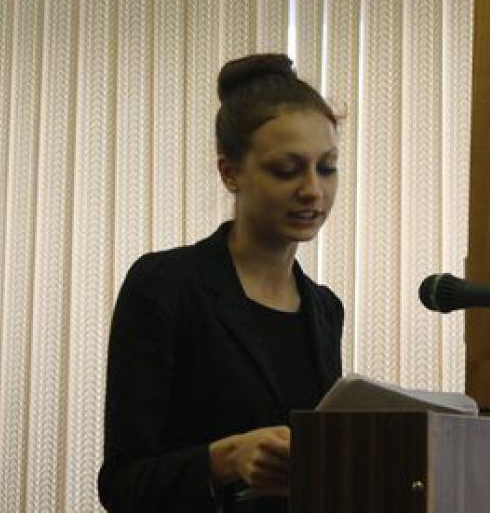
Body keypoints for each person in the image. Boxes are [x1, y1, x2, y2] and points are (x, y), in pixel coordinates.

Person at [98, 54, 345, 513]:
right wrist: (226, 459)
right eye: (286, 170)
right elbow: (123, 484)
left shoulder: (325, 308)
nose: (313, 190)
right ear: (230, 173)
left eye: (327, 168)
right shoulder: (165, 285)